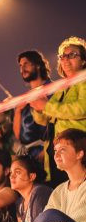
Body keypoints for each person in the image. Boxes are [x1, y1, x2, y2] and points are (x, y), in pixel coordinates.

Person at [31, 36, 86, 187]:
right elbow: (44, 119)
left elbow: (81, 109)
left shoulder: (84, 81)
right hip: (57, 149)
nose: (66, 59)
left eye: (72, 55)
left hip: (78, 149)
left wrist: (46, 106)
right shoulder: (61, 87)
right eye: (62, 56)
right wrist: (37, 107)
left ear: (83, 60)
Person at [13, 50, 51, 160]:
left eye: (26, 64)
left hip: (48, 153)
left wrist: (46, 151)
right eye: (20, 65)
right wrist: (18, 111)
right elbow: (18, 135)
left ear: (38, 65)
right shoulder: (25, 98)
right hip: (28, 156)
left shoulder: (53, 90)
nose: (22, 68)